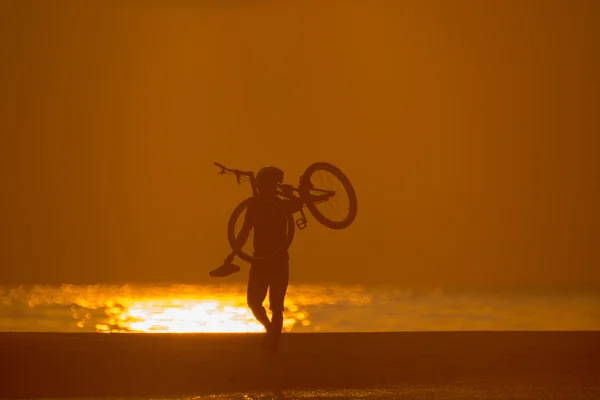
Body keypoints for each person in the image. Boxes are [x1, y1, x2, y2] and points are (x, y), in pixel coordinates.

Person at [212, 166, 327, 354]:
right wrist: (232, 254)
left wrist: (295, 194)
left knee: (276, 307)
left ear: (275, 186)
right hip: (259, 260)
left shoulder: (283, 205)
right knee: (253, 302)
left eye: (271, 184)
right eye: (264, 183)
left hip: (279, 260)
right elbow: (243, 233)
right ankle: (270, 330)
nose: (266, 187)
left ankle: (273, 344)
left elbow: (307, 202)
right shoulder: (254, 206)